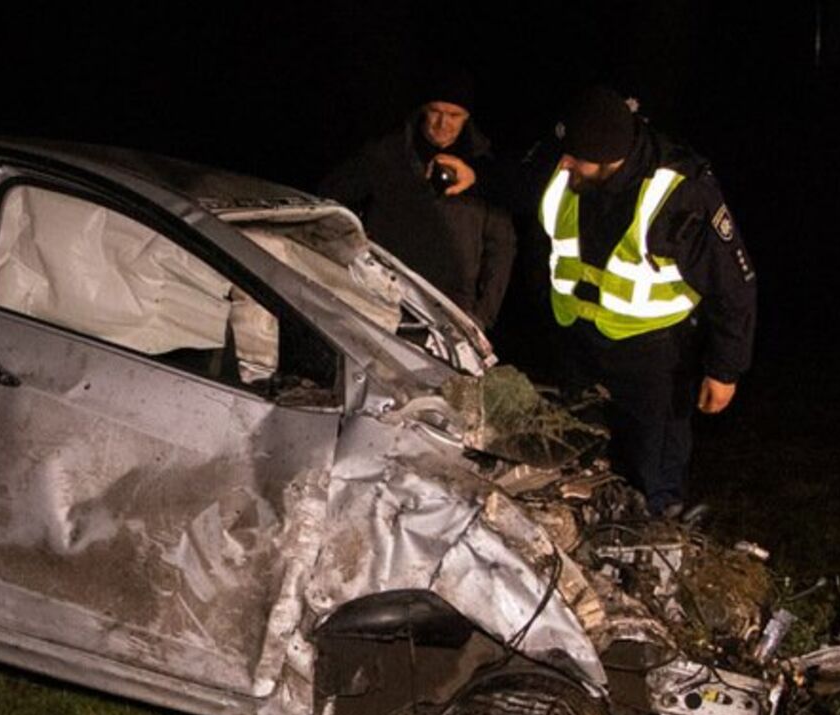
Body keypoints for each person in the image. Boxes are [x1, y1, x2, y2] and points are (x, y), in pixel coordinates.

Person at [538, 86, 757, 516]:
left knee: (651, 472)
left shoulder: (680, 192)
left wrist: (724, 370)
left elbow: (734, 284)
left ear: (607, 158)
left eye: (575, 157)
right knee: (578, 463)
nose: (563, 163)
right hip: (580, 344)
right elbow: (520, 180)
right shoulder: (578, 165)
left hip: (655, 356)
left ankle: (655, 554)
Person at [319, 70, 517, 329]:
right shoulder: (388, 154)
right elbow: (329, 202)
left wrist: (481, 318)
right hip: (385, 296)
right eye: (435, 111)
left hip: (453, 307)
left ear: (468, 116)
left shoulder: (484, 166)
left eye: (454, 115)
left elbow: (502, 247)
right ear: (423, 109)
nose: (443, 123)